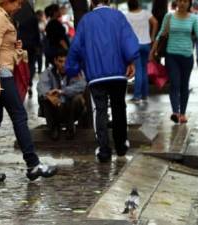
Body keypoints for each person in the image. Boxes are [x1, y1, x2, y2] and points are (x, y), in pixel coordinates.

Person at [0, 0, 57, 183]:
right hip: (0, 74)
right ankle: (33, 164)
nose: (19, 7)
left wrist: (15, 49)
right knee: (19, 116)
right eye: (18, 3)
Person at [65, 0, 139, 163]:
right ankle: (121, 146)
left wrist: (72, 69)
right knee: (119, 107)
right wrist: (131, 61)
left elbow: (76, 47)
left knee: (100, 110)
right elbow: (128, 40)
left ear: (92, 2)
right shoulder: (118, 16)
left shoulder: (86, 20)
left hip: (96, 75)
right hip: (118, 73)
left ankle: (104, 150)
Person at [150, 0, 198, 124]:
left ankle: (183, 114)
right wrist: (153, 49)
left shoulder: (193, 18)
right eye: (180, 1)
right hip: (171, 56)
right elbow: (161, 34)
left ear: (189, 3)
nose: (182, 3)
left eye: (185, 1)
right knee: (174, 83)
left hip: (187, 57)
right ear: (176, 2)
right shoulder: (169, 17)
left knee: (184, 85)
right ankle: (175, 112)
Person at [37, 48, 86, 141]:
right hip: (55, 109)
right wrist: (49, 95)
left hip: (71, 109)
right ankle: (53, 129)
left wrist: (62, 91)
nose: (63, 65)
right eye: (60, 61)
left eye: (66, 62)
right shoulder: (48, 72)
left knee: (78, 98)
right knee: (44, 98)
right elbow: (41, 86)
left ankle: (70, 127)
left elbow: (82, 85)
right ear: (55, 61)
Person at [126, 0, 158, 103]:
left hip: (135, 45)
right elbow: (155, 22)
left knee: (138, 70)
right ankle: (144, 95)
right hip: (146, 44)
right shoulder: (145, 13)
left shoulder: (128, 16)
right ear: (138, 4)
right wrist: (152, 37)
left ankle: (137, 96)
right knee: (144, 70)